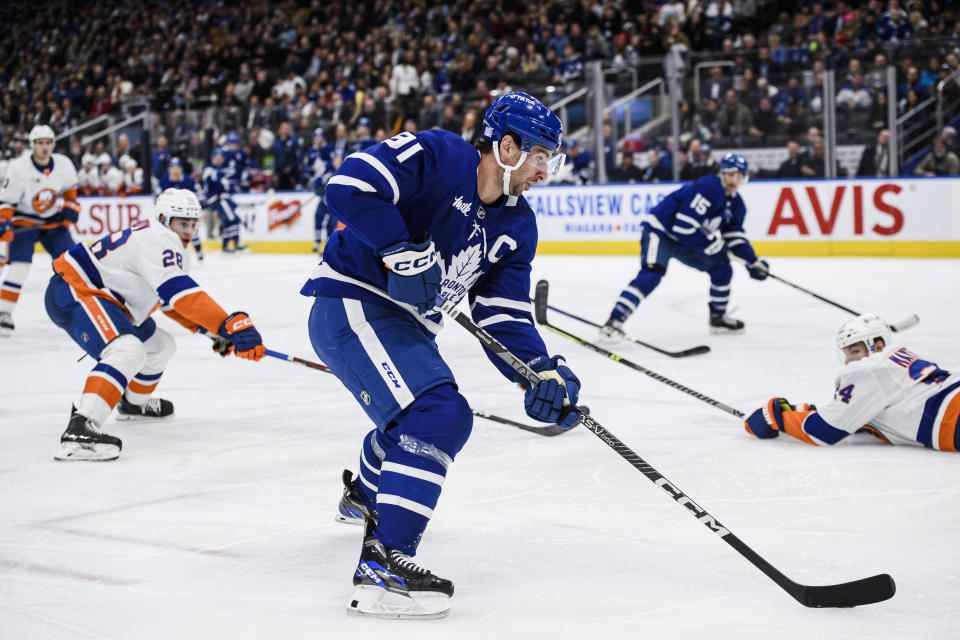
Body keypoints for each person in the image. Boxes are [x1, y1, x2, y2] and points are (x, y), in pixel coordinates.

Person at [300, 91, 580, 619]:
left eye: (551, 158)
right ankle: (384, 570)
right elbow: (350, 186)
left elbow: (504, 314)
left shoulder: (518, 226)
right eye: (540, 155)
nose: (546, 170)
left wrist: (537, 370)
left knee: (413, 420)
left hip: (407, 326)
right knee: (438, 413)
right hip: (352, 301)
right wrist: (398, 246)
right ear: (507, 145)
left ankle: (364, 495)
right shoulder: (441, 155)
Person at [44, 188, 266, 461]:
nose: (189, 231)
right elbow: (179, 293)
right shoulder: (159, 238)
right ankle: (80, 430)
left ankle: (133, 404)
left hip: (109, 300)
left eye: (193, 224)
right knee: (127, 350)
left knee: (161, 346)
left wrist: (213, 331)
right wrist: (226, 324)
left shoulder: (160, 240)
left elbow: (168, 301)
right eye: (182, 223)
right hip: (77, 290)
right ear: (163, 219)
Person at [601, 153, 769, 337]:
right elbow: (684, 226)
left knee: (722, 267)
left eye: (739, 176)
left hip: (686, 240)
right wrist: (710, 244)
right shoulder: (709, 187)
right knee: (652, 273)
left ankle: (718, 318)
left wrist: (753, 260)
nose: (734, 180)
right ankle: (614, 321)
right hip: (662, 233)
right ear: (722, 174)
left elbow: (735, 237)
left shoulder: (736, 205)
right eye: (730, 174)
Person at [745, 313, 959, 451]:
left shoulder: (868, 369)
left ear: (877, 344)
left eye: (855, 350)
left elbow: (823, 431)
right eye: (846, 353)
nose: (848, 361)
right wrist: (805, 412)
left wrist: (775, 417)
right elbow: (862, 416)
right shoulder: (896, 357)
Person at [0, 125, 82, 336]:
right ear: (33, 145)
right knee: (19, 267)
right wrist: (3, 221)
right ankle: (3, 313)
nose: (44, 147)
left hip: (53, 224)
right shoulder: (18, 168)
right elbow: (7, 201)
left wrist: (71, 209)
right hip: (25, 222)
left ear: (52, 144)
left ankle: (82, 307)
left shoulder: (63, 164)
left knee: (73, 264)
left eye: (47, 143)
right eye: (40, 143)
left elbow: (71, 194)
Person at [202, 148, 247, 253]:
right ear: (213, 158)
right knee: (232, 218)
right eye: (218, 157)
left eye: (221, 157)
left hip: (222, 198)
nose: (220, 159)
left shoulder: (218, 170)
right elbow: (212, 182)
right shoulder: (210, 169)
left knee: (228, 221)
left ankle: (226, 245)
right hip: (219, 199)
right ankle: (236, 242)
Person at [158, 158, 204, 261]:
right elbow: (156, 197)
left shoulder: (189, 180)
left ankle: (199, 252)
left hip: (189, 212)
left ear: (181, 169)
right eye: (173, 168)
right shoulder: (164, 180)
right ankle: (172, 256)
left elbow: (200, 195)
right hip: (171, 214)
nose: (175, 171)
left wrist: (197, 206)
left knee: (193, 231)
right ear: (169, 169)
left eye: (177, 168)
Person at [302, 128, 334, 253]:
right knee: (319, 216)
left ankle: (328, 243)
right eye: (316, 136)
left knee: (330, 219)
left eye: (320, 136)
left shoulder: (328, 149)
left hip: (328, 187)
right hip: (318, 187)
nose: (318, 139)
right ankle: (317, 242)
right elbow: (308, 168)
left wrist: (325, 180)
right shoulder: (311, 151)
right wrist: (307, 179)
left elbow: (332, 167)